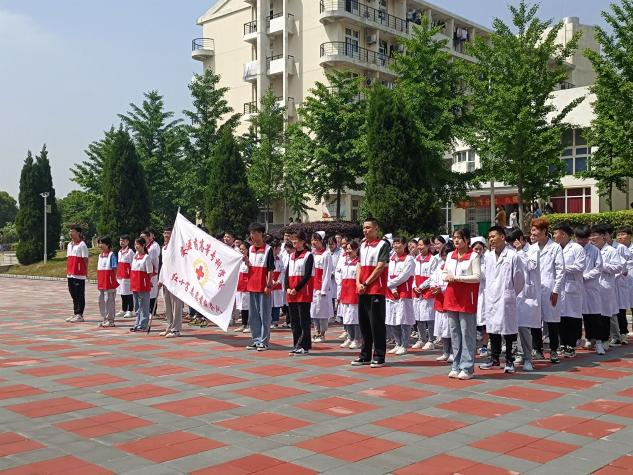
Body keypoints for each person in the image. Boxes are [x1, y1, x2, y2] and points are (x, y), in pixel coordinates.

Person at [479, 226, 525, 374]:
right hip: (491, 297)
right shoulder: (488, 256)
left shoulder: (513, 256)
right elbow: (485, 276)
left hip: (506, 298)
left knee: (508, 330)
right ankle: (494, 358)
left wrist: (509, 293)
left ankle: (510, 360)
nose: (491, 239)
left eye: (494, 236)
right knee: (493, 329)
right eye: (489, 237)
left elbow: (519, 280)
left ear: (503, 237)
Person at [442, 228, 481, 380]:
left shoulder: (474, 256)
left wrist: (458, 278)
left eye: (459, 237)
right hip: (452, 297)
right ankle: (456, 365)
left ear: (467, 240)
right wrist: (447, 277)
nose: (456, 240)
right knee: (455, 333)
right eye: (454, 237)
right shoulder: (450, 255)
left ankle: (467, 367)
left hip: (466, 298)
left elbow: (477, 277)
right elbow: (444, 273)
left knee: (467, 333)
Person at [352, 218, 390, 368]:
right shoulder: (362, 245)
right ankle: (365, 355)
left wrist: (366, 283)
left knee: (377, 324)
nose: (365, 230)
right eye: (364, 228)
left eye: (368, 227)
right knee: (364, 324)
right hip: (362, 290)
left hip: (375, 290)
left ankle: (379, 356)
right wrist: (358, 283)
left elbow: (380, 267)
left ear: (376, 229)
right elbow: (359, 265)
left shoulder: (382, 245)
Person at [530, 218, 565, 363]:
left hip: (550, 288)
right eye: (532, 230)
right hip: (535, 288)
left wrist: (556, 290)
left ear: (544, 231)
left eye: (535, 230)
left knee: (552, 321)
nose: (532, 233)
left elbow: (560, 270)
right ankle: (537, 349)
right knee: (535, 320)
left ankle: (554, 350)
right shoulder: (532, 248)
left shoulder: (555, 247)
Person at [552, 222, 585, 358]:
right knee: (560, 318)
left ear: (564, 234)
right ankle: (562, 344)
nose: (554, 236)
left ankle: (571, 345)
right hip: (559, 287)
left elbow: (580, 266)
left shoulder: (577, 248)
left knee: (572, 318)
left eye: (556, 233)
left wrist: (562, 269)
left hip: (572, 287)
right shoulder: (555, 248)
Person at [591, 224, 624, 354]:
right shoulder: (590, 250)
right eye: (591, 235)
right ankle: (593, 338)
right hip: (591, 286)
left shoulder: (611, 251)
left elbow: (618, 267)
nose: (592, 238)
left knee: (604, 315)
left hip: (605, 287)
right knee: (593, 315)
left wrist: (602, 266)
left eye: (595, 235)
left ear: (603, 236)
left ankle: (604, 339)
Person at [574, 225, 604, 354]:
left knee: (594, 315)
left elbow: (598, 268)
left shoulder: (594, 250)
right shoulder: (572, 249)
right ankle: (579, 339)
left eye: (584, 239)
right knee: (576, 315)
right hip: (575, 286)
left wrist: (586, 276)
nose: (582, 241)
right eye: (579, 239)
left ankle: (598, 342)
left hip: (590, 286)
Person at [246, 223, 275, 351]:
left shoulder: (268, 249)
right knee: (253, 316)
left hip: (263, 287)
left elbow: (270, 269)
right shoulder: (250, 249)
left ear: (261, 234)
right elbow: (250, 267)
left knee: (264, 315)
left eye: (255, 233)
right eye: (251, 233)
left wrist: (268, 285)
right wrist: (246, 261)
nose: (253, 235)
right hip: (252, 286)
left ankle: (264, 341)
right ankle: (256, 340)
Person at [386, 237, 416, 356]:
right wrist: (391, 287)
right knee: (392, 319)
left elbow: (404, 276)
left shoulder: (409, 259)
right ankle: (398, 343)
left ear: (404, 245)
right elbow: (387, 274)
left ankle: (404, 344)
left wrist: (390, 284)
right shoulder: (391, 258)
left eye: (398, 243)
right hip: (391, 292)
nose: (395, 245)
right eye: (394, 243)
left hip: (403, 292)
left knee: (404, 320)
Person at [286, 231, 314, 355]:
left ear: (303, 241)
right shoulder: (291, 256)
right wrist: (287, 287)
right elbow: (287, 273)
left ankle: (304, 346)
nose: (294, 242)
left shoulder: (308, 255)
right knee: (294, 321)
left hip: (303, 293)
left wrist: (296, 289)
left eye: (296, 240)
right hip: (291, 293)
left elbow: (307, 275)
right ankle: (296, 344)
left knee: (304, 321)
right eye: (292, 240)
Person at [412, 238, 438, 350]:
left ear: (428, 246)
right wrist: (414, 286)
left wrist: (421, 287)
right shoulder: (416, 259)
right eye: (419, 245)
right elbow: (412, 275)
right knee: (418, 316)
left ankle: (431, 340)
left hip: (427, 292)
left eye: (422, 245)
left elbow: (433, 276)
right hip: (417, 292)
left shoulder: (433, 259)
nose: (420, 247)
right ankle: (421, 339)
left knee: (429, 317)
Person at [158, 227, 183, 338]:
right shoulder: (163, 248)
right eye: (164, 233)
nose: (166, 235)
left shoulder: (177, 248)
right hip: (166, 280)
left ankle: (176, 329)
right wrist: (160, 279)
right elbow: (164, 265)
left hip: (175, 281)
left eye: (168, 233)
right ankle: (169, 326)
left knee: (176, 306)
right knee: (167, 306)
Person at [432, 242, 454, 362]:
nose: (445, 257)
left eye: (447, 254)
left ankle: (453, 352)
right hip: (440, 300)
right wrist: (434, 286)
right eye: (443, 255)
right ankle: (445, 352)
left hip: (450, 300)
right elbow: (433, 278)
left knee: (451, 329)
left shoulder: (454, 266)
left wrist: (441, 289)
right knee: (443, 329)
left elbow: (452, 283)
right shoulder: (440, 267)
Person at [311, 232, 334, 342]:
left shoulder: (326, 255)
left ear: (321, 241)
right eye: (312, 240)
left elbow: (327, 273)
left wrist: (324, 289)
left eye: (316, 240)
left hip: (321, 287)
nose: (313, 242)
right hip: (313, 286)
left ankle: (322, 333)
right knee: (314, 311)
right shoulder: (312, 254)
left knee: (322, 311)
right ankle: (316, 332)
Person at [611, 226, 633, 345]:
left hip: (629, 280)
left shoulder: (624, 249)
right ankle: (621, 333)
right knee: (620, 308)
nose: (620, 237)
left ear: (630, 236)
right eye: (618, 235)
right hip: (621, 281)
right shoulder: (615, 248)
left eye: (623, 234)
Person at [339, 241, 361, 349]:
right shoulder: (344, 262)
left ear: (356, 250)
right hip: (345, 292)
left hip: (354, 293)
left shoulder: (358, 263)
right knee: (347, 317)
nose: (348, 251)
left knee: (355, 317)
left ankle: (357, 339)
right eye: (347, 249)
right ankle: (350, 337)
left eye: (350, 249)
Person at [65, 225, 89, 323]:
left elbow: (86, 259)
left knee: (79, 294)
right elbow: (69, 259)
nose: (71, 233)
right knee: (73, 294)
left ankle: (80, 314)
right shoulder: (69, 245)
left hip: (79, 274)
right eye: (70, 231)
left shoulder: (82, 245)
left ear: (78, 233)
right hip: (70, 273)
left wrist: (85, 271)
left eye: (73, 231)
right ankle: (75, 313)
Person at [130, 237, 153, 332]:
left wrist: (148, 282)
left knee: (143, 305)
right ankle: (137, 323)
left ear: (143, 245)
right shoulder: (135, 257)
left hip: (143, 284)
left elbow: (150, 272)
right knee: (137, 306)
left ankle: (143, 325)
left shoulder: (146, 257)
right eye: (135, 244)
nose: (136, 246)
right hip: (134, 284)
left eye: (138, 244)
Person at [471, 238, 489, 357]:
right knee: (471, 323)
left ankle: (484, 346)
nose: (478, 251)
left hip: (484, 294)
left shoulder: (487, 260)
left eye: (480, 249)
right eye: (476, 249)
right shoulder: (469, 259)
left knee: (485, 323)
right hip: (472, 294)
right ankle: (472, 346)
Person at [96, 236, 119, 328]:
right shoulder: (100, 256)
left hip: (109, 283)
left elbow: (115, 268)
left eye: (102, 243)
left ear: (108, 244)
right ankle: (105, 318)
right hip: (101, 282)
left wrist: (112, 279)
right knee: (101, 301)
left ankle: (110, 320)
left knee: (109, 301)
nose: (100, 245)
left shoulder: (111, 255)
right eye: (99, 243)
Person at [140, 228, 160, 317]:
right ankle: (145, 310)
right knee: (144, 292)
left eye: (144, 237)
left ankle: (152, 311)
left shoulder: (154, 246)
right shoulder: (141, 246)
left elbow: (156, 260)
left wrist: (155, 272)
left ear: (149, 237)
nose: (142, 238)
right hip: (142, 272)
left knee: (152, 292)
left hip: (152, 272)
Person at [116, 235, 134, 319]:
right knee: (122, 293)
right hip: (120, 276)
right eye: (120, 240)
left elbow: (133, 264)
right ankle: (124, 309)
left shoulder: (130, 252)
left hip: (128, 276)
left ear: (127, 242)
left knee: (129, 294)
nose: (121, 242)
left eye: (123, 240)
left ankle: (130, 310)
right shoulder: (119, 252)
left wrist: (132, 275)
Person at [271, 240, 286, 328]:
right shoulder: (268, 257)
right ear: (274, 248)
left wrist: (279, 280)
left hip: (277, 284)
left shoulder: (279, 258)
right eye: (278, 248)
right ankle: (269, 320)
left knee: (276, 303)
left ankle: (275, 321)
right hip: (269, 283)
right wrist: (272, 280)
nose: (280, 250)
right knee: (269, 303)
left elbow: (282, 270)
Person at [235, 243, 250, 333]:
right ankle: (243, 324)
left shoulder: (250, 260)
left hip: (247, 287)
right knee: (242, 306)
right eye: (240, 249)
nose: (241, 251)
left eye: (243, 249)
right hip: (240, 286)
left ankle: (249, 325)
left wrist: (247, 261)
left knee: (248, 306)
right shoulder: (239, 260)